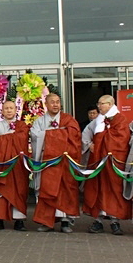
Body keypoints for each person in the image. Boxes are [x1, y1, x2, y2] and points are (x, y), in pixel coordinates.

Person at [30, 93, 81, 233]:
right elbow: (34, 135)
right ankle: (47, 222)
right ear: (46, 104)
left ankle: (65, 222)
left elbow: (75, 136)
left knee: (66, 190)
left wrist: (49, 134)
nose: (55, 104)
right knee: (47, 190)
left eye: (58, 102)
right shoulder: (39, 121)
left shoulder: (69, 120)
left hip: (64, 162)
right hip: (48, 163)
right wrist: (59, 133)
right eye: (52, 102)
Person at [84, 95, 131, 235]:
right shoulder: (98, 120)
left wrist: (102, 138)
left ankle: (114, 221)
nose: (99, 106)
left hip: (114, 162)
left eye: (102, 104)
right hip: (99, 161)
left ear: (110, 104)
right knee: (98, 188)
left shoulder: (121, 120)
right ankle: (98, 221)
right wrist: (89, 144)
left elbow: (122, 140)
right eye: (98, 103)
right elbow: (86, 133)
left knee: (114, 189)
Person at [0, 101, 30, 231]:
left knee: (19, 190)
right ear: (2, 111)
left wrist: (6, 138)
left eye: (11, 108)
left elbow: (22, 140)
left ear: (16, 110)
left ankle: (19, 221)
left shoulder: (22, 125)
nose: (8, 110)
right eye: (6, 108)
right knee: (1, 191)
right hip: (1, 162)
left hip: (18, 164)